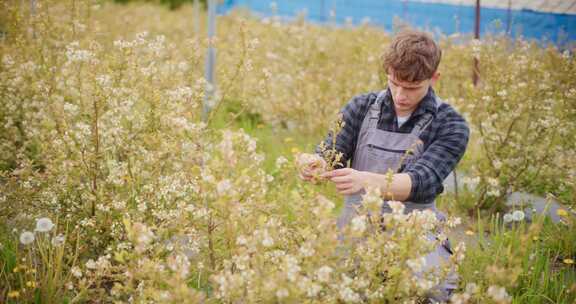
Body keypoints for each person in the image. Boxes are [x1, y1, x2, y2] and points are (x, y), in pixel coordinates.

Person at [298, 29, 470, 302]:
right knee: (318, 279)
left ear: (434, 78)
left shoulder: (450, 123)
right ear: (388, 72)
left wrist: (366, 182)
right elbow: (331, 152)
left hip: (414, 225)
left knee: (431, 288)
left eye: (412, 87)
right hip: (356, 222)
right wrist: (314, 162)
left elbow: (422, 180)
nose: (401, 95)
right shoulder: (363, 106)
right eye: (394, 83)